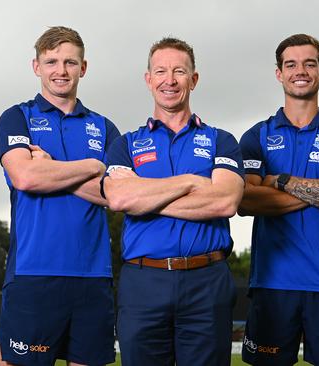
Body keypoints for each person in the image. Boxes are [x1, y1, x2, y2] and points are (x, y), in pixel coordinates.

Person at [102, 37, 244, 366]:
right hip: (143, 281)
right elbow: (120, 196)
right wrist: (190, 182)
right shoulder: (126, 144)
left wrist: (145, 195)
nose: (170, 80)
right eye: (161, 71)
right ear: (148, 79)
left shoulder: (221, 140)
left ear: (193, 79)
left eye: (179, 71)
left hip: (207, 280)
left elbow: (224, 202)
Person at [238, 34, 319, 366]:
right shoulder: (257, 136)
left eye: (309, 64)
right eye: (291, 64)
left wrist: (280, 181)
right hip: (272, 283)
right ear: (279, 73)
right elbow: (245, 201)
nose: (301, 71)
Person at [0, 26, 120, 366]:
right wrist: (93, 167)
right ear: (36, 67)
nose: (61, 71)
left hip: (93, 276)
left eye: (70, 62)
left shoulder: (105, 128)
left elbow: (115, 195)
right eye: (51, 62)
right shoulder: (16, 118)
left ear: (84, 67)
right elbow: (26, 175)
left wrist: (55, 168)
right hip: (33, 274)